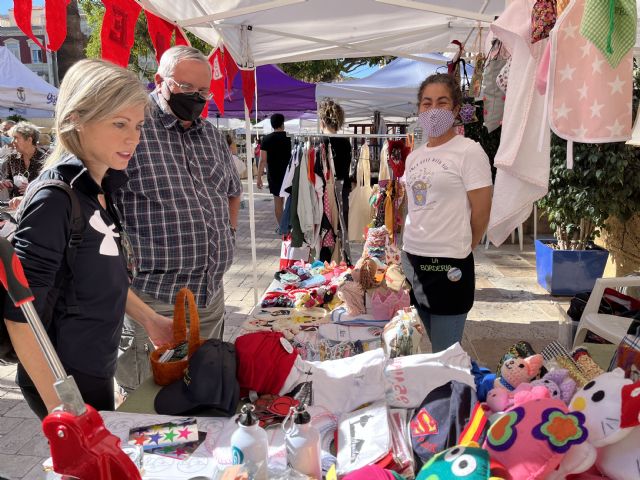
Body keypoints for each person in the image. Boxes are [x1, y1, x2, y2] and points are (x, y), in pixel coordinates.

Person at [2, 59, 174, 420]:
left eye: (139, 126)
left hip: (96, 367)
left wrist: (149, 319)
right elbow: (20, 315)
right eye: (119, 124)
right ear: (77, 118)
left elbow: (94, 271)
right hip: (64, 379)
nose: (133, 138)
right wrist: (66, 410)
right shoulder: (53, 198)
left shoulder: (98, 190)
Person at [114, 46, 242, 393]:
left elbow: (233, 191)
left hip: (209, 295)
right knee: (148, 399)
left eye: (203, 92)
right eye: (186, 88)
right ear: (159, 80)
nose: (196, 99)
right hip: (153, 299)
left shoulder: (211, 136)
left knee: (199, 387)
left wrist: (228, 234)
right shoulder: (132, 131)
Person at [400, 73, 492, 353]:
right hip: (413, 260)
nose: (433, 109)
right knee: (427, 343)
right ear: (419, 109)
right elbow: (414, 207)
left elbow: (481, 212)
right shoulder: (414, 156)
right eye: (427, 103)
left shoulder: (469, 152)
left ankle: (455, 392)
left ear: (454, 110)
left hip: (448, 264)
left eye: (442, 102)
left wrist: (464, 244)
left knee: (445, 353)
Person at [319, 99, 353, 232]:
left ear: (322, 121)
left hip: (324, 190)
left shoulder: (320, 141)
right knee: (341, 229)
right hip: (342, 188)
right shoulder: (345, 142)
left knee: (326, 231)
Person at [257, 113, 291, 229]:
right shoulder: (289, 139)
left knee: (278, 203)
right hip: (289, 175)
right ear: (283, 124)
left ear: (272, 125)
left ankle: (282, 228)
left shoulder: (266, 139)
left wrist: (259, 178)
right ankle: (289, 226)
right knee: (290, 201)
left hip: (274, 175)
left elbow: (262, 160)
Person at [1, 122, 46, 198]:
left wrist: (33, 188)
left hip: (37, 203)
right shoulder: (12, 157)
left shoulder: (45, 159)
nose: (12, 141)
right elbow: (9, 177)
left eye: (16, 138)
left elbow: (51, 184)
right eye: (12, 138)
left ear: (29, 140)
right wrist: (6, 182)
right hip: (16, 205)